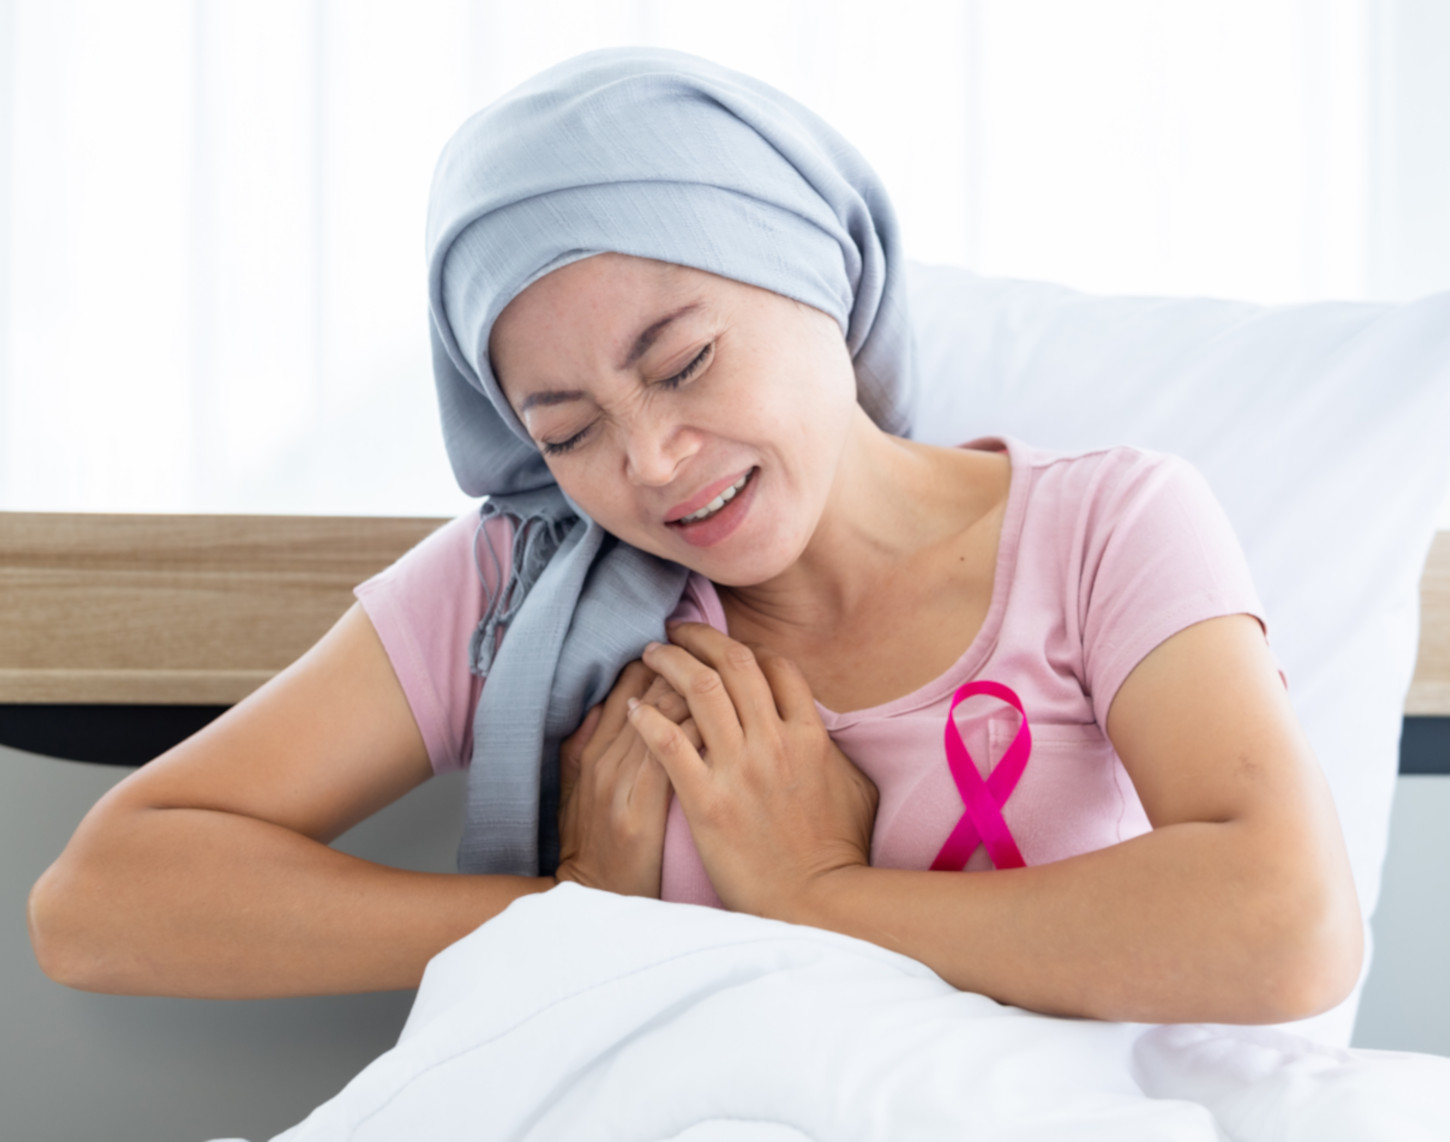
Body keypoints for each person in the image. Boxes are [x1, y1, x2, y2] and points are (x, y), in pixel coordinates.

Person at [28, 47, 1361, 1025]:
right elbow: (101, 900)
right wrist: (571, 918)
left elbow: (1286, 925)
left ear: (817, 273)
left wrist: (817, 893)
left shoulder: (1105, 526)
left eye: (682, 362)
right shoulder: (525, 585)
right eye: (566, 428)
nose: (648, 464)